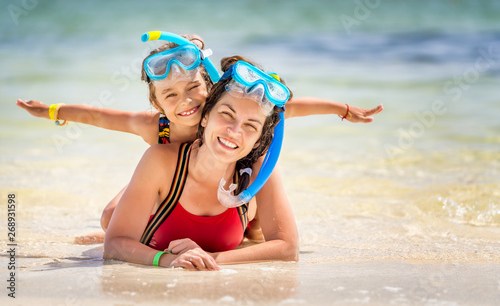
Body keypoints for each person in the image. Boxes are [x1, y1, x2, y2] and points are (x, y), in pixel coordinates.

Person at [16, 32, 384, 233]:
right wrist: (51, 111)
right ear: (159, 105)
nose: (187, 101)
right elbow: (98, 115)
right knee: (110, 216)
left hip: (221, 190)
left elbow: (290, 108)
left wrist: (343, 109)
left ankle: (241, 235)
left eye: (194, 89)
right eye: (171, 96)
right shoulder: (156, 128)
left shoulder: (225, 111)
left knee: (250, 219)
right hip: (171, 182)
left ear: (210, 86)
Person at [104, 58, 298, 269]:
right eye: (226, 114)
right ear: (205, 116)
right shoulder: (159, 161)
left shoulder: (258, 169)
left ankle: (253, 227)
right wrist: (167, 259)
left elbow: (287, 248)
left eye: (250, 126)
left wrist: (206, 257)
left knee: (256, 232)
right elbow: (114, 245)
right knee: (109, 217)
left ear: (258, 140)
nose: (234, 132)